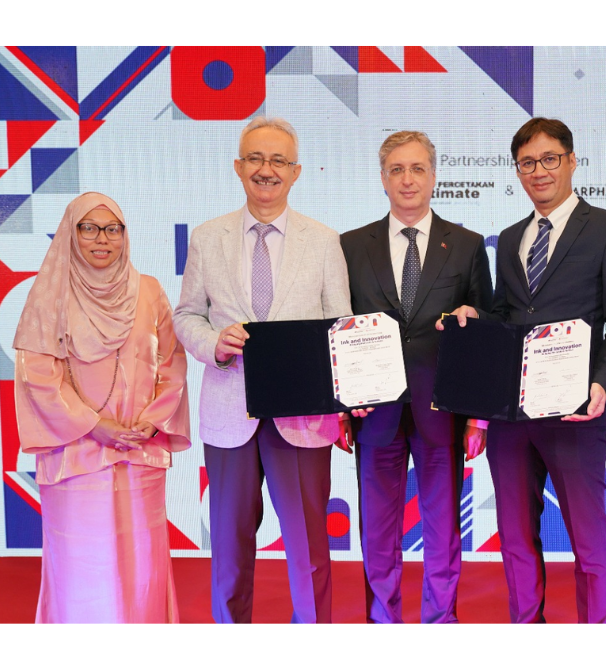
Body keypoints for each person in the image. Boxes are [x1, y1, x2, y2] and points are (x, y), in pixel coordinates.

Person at [442, 117, 606, 623]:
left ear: (571, 161)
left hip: (575, 410)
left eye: (550, 159)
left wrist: (601, 385)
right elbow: (508, 318)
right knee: (515, 539)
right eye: (528, 163)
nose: (539, 171)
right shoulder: (509, 239)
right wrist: (475, 319)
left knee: (590, 542)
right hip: (510, 416)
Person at [173, 116, 352, 624]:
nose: (266, 169)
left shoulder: (323, 241)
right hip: (229, 411)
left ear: (295, 172)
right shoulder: (208, 238)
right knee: (228, 551)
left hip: (302, 417)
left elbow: (340, 326)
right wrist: (215, 343)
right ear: (238, 166)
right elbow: (186, 315)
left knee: (309, 553)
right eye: (255, 158)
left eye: (278, 161)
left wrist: (340, 403)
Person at [13, 192, 190, 623]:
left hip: (137, 452)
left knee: (141, 566)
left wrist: (151, 422)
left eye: (112, 229)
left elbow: (172, 361)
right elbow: (38, 374)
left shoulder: (148, 291)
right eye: (88, 228)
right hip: (76, 453)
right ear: (71, 234)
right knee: (82, 566)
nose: (101, 239)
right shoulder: (49, 295)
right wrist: (94, 425)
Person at [340, 131, 492, 623]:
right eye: (397, 170)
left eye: (417, 168)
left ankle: (439, 620)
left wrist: (478, 419)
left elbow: (485, 329)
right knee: (377, 528)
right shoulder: (349, 246)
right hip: (372, 411)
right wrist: (340, 406)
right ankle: (383, 620)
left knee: (443, 525)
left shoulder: (467, 245)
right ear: (382, 178)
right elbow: (338, 328)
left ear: (433, 175)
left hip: (441, 409)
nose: (407, 179)